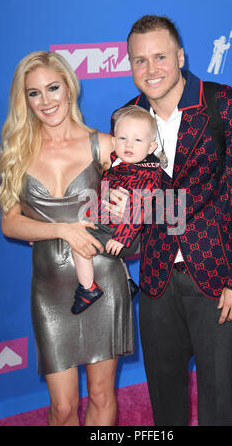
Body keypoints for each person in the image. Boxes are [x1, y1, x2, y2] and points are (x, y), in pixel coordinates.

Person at [110, 15, 232, 426]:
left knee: (218, 403)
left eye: (160, 56)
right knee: (165, 401)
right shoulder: (126, 120)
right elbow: (128, 200)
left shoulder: (226, 104)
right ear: (130, 64)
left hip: (218, 277)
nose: (150, 70)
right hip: (156, 279)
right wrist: (117, 213)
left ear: (180, 56)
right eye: (139, 60)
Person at [0, 50, 134, 426]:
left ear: (69, 88)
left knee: (103, 395)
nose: (46, 101)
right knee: (62, 407)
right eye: (34, 93)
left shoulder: (104, 145)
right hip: (51, 290)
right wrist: (61, 228)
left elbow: (137, 215)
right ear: (24, 100)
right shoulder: (15, 153)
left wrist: (125, 211)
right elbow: (10, 224)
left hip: (102, 282)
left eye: (53, 88)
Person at [71, 105, 161, 315]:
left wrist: (121, 237)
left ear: (151, 147)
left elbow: (137, 211)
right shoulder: (121, 163)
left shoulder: (146, 176)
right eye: (122, 139)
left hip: (123, 234)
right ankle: (128, 282)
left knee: (78, 244)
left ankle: (87, 289)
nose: (128, 144)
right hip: (111, 226)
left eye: (137, 140)